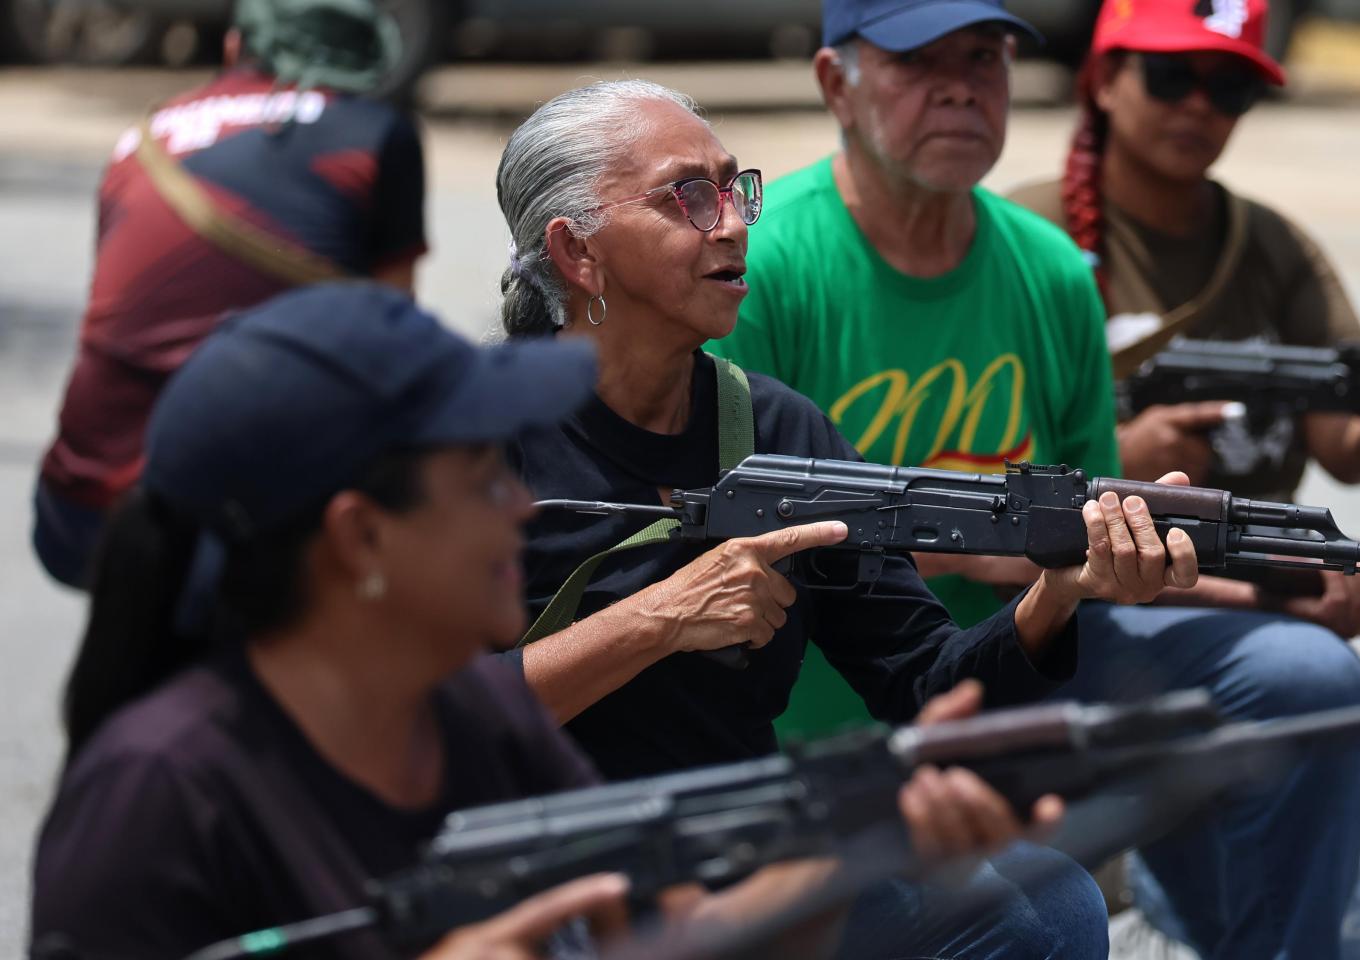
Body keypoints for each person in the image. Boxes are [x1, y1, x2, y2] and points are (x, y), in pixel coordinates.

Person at [29, 283, 1055, 960]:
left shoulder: (473, 723)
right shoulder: (158, 791)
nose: (518, 509)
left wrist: (854, 846)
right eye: (481, 480)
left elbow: (676, 940)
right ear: (359, 540)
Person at [706, 0, 1360, 956]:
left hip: (1032, 659)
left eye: (984, 59)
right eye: (919, 61)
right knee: (1051, 910)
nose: (960, 86)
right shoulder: (764, 269)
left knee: (1307, 675)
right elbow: (721, 543)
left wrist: (1288, 592)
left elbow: (1100, 556)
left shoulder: (1052, 271)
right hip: (832, 697)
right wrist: (970, 549)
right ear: (836, 85)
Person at [496, 78, 1203, 958]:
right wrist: (658, 619)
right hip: (530, 874)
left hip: (732, 848)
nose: (732, 223)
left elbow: (922, 679)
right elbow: (420, 724)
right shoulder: (467, 442)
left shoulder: (778, 428)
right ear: (578, 252)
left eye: (734, 187)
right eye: (689, 196)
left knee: (1051, 901)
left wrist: (1060, 593)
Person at [1007, 2, 1360, 954]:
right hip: (1075, 603)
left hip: (1242, 595)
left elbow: (1346, 442)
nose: (1200, 108)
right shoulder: (1030, 242)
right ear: (1103, 80)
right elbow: (989, 488)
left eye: (1229, 88)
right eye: (1173, 78)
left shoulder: (1272, 245)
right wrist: (1120, 463)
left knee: (1339, 931)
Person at [32, 0, 428, 589]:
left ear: (234, 48)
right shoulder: (376, 135)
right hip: (247, 518)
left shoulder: (140, 139)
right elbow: (391, 344)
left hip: (79, 505)